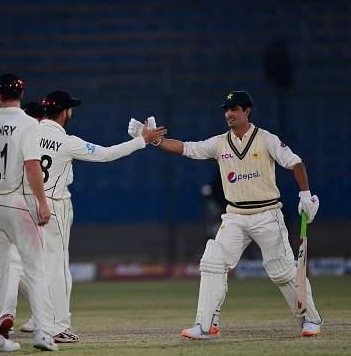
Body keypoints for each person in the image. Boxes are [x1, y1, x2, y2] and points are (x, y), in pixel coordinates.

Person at [127, 90, 322, 338]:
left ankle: (310, 320)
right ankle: (207, 327)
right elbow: (186, 148)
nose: (229, 114)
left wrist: (305, 194)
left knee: (282, 271)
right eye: (226, 110)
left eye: (234, 109)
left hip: (267, 213)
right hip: (235, 217)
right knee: (213, 262)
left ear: (247, 111)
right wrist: (151, 140)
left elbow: (296, 163)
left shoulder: (266, 139)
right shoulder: (219, 143)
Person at [33, 90, 165, 343]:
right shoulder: (67, 142)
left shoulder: (27, 134)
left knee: (25, 266)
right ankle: (58, 327)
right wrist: (142, 140)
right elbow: (105, 154)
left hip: (23, 204)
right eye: (69, 110)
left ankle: (24, 323)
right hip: (51, 206)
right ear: (64, 113)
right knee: (56, 268)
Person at [0, 73, 57, 352]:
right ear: (21, 96)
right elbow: (33, 166)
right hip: (19, 202)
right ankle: (44, 334)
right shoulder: (28, 123)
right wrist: (42, 202)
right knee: (35, 269)